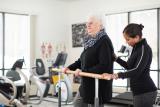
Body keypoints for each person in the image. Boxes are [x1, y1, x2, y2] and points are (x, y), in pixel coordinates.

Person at [63, 15, 114, 107]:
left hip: (98, 86)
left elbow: (104, 65)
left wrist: (83, 71)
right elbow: (81, 60)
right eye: (87, 23)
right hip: (86, 84)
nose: (88, 25)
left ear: (100, 25)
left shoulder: (104, 41)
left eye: (91, 23)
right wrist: (69, 67)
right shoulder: (90, 40)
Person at [103, 23, 157, 107]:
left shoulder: (144, 48)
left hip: (145, 92)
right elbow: (129, 66)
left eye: (128, 39)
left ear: (137, 37)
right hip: (138, 92)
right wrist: (116, 58)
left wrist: (117, 75)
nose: (126, 42)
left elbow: (137, 70)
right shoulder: (136, 48)